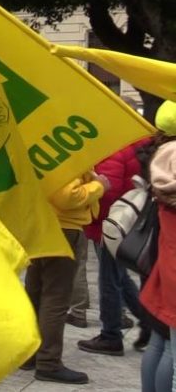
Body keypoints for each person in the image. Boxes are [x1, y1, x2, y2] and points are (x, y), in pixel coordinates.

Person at [22, 171, 108, 384]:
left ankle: (30, 353)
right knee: (55, 298)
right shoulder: (70, 159)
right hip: (64, 228)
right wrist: (99, 185)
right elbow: (67, 196)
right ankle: (48, 362)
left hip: (41, 223)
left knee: (36, 293)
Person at [76, 138, 150, 355]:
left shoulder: (112, 149)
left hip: (111, 224)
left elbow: (108, 193)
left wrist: (90, 195)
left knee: (109, 280)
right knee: (120, 277)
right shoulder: (139, 143)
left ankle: (111, 336)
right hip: (128, 222)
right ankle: (149, 323)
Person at [142, 100, 176, 391]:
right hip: (168, 261)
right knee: (169, 348)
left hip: (161, 257)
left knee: (159, 338)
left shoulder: (156, 154)